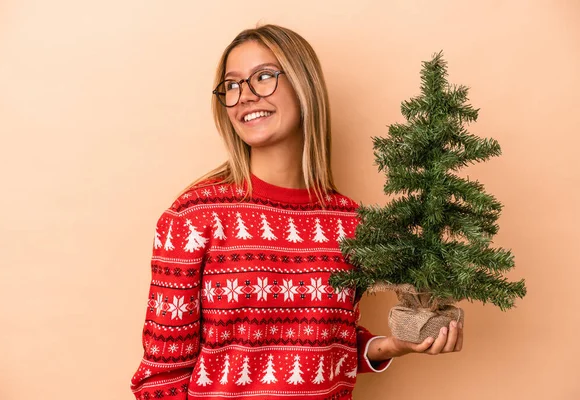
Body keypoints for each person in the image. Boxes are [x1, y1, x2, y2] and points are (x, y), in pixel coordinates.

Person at [130, 24, 463, 400]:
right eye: (233, 85)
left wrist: (393, 346)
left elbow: (327, 345)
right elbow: (159, 380)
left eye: (264, 76)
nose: (245, 96)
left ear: (304, 86)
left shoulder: (351, 223)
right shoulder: (193, 217)